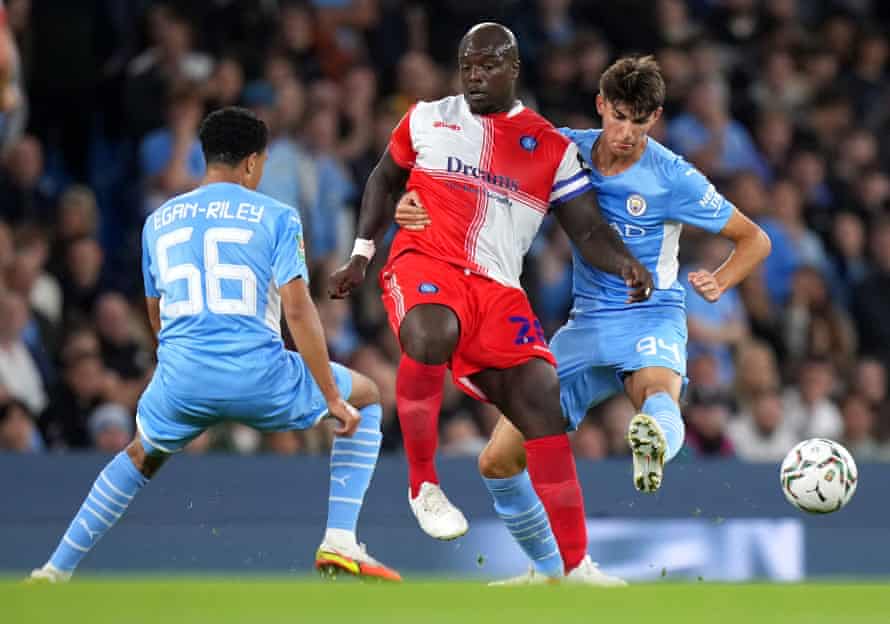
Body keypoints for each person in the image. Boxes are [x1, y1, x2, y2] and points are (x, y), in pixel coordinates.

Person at [395, 55, 770, 582]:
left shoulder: (672, 175)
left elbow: (755, 238)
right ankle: (554, 574)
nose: (626, 133)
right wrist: (413, 200)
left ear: (655, 118)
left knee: (657, 395)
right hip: (587, 324)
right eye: (618, 117)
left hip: (651, 313)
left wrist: (722, 280)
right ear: (601, 106)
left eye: (639, 122)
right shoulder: (563, 148)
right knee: (497, 462)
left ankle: (654, 443)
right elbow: (472, 166)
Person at [329, 23, 651, 584]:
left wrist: (625, 262)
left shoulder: (550, 147)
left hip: (498, 289)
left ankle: (576, 566)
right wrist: (361, 254)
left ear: (513, 69)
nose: (474, 75)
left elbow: (589, 230)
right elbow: (384, 179)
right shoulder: (428, 117)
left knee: (540, 398)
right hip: (426, 263)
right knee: (429, 332)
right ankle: (423, 484)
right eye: (467, 65)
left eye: (487, 65)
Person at [28, 107, 399, 584]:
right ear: (251, 163)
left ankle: (54, 570)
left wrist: (184, 373)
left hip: (182, 378)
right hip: (261, 377)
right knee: (365, 397)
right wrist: (330, 395)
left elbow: (157, 314)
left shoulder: (157, 221)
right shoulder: (278, 216)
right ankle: (340, 540)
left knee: (142, 454)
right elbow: (300, 311)